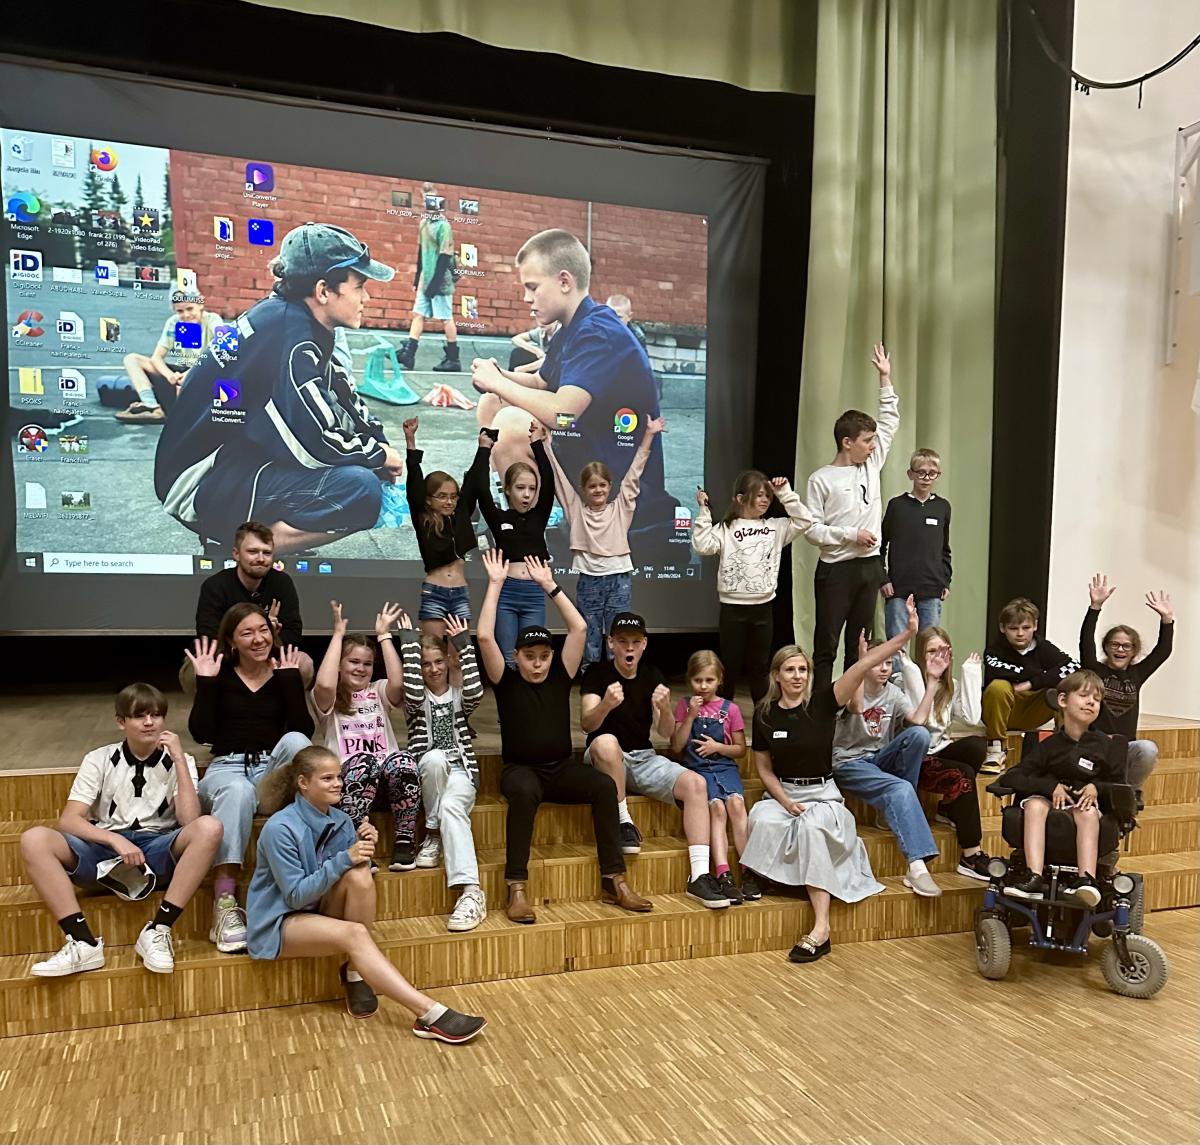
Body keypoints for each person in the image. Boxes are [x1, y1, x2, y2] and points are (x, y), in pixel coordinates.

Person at [154, 222, 404, 554]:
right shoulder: (291, 334)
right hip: (197, 481)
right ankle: (242, 548)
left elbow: (342, 396)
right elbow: (313, 441)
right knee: (360, 490)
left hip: (229, 461)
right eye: (359, 286)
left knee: (361, 465)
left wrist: (378, 443)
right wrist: (378, 455)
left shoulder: (294, 319)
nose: (366, 298)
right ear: (323, 291)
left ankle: (252, 532)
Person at [249, 746, 486, 1041]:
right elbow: (295, 895)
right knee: (356, 933)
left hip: (316, 909)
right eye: (327, 778)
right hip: (278, 922)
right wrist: (345, 857)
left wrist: (361, 847)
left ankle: (354, 970)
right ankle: (428, 1013)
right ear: (303, 783)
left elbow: (339, 872)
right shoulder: (280, 828)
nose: (338, 784)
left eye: (339, 777)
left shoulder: (340, 820)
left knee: (361, 875)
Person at [470, 228, 677, 559]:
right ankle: (516, 511)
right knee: (492, 402)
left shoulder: (597, 332)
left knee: (510, 423)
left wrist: (498, 382)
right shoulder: (573, 328)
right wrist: (497, 376)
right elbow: (541, 383)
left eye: (532, 287)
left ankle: (529, 540)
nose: (526, 298)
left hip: (619, 485)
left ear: (564, 282)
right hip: (586, 452)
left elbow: (563, 414)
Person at [477, 548, 652, 922]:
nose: (538, 663)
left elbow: (580, 629)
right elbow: (484, 636)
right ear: (516, 656)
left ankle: (614, 880)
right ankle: (516, 887)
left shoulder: (561, 675)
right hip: (520, 770)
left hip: (559, 769)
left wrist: (549, 585)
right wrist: (495, 584)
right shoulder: (505, 680)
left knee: (604, 786)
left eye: (544, 655)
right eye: (530, 656)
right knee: (523, 791)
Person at [740, 604, 919, 964]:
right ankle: (779, 880)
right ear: (776, 675)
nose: (797, 676)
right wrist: (785, 801)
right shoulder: (764, 714)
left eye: (802, 669)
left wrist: (906, 635)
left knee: (809, 829)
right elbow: (764, 769)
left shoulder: (823, 702)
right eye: (790, 670)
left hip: (823, 796)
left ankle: (821, 928)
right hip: (785, 794)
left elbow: (863, 667)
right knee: (759, 818)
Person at [21, 684, 223, 977]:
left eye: (156, 715)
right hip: (104, 850)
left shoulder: (182, 760)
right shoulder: (98, 758)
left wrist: (179, 760)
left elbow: (190, 820)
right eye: (140, 716)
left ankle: (158, 930)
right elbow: (69, 820)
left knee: (210, 827)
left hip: (156, 848)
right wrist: (114, 839)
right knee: (34, 838)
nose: (150, 722)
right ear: (121, 722)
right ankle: (82, 942)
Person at [187, 603, 313, 954]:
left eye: (263, 630)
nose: (258, 639)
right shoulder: (221, 674)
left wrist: (291, 682)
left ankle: (313, 868)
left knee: (298, 743)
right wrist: (206, 683)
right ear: (231, 641)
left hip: (270, 774)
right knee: (239, 790)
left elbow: (303, 730)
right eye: (247, 633)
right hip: (227, 770)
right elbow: (201, 733)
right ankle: (225, 902)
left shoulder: (284, 671)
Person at [582, 612, 729, 908]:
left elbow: (665, 733)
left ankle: (700, 875)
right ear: (611, 643)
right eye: (623, 641)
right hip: (604, 757)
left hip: (643, 757)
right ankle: (623, 822)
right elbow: (587, 724)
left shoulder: (653, 675)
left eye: (635, 642)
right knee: (607, 743)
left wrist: (664, 709)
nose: (629, 648)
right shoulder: (596, 674)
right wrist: (606, 705)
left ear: (644, 644)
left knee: (696, 784)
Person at [803, 344, 900, 690]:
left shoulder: (871, 465)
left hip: (868, 567)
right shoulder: (821, 478)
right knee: (827, 642)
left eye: (873, 441)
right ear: (847, 442)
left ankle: (850, 706)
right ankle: (821, 705)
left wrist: (885, 378)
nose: (873, 445)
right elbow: (812, 530)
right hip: (836, 570)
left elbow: (889, 422)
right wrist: (850, 534)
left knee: (859, 644)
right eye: (866, 441)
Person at [545, 416, 665, 670]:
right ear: (583, 489)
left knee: (618, 637)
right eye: (592, 486)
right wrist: (545, 445)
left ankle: (617, 681)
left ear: (610, 486)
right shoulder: (576, 509)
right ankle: (591, 681)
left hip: (618, 580)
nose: (598, 490)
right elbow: (559, 480)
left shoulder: (621, 507)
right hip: (588, 581)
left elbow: (634, 473)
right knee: (589, 639)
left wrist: (649, 434)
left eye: (602, 485)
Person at [830, 635, 943, 897]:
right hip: (848, 762)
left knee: (919, 735)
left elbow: (918, 719)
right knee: (900, 788)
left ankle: (893, 808)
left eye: (889, 663)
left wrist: (933, 681)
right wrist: (860, 664)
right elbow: (856, 707)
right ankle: (917, 867)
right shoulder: (847, 686)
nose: (884, 669)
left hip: (879, 759)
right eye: (878, 662)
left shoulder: (893, 692)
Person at [312, 600, 422, 871]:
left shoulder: (378, 690)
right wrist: (338, 635)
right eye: (353, 662)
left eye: (367, 664)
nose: (360, 668)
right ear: (339, 665)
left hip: (386, 785)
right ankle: (352, 842)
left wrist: (384, 636)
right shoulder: (329, 698)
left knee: (403, 760)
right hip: (348, 789)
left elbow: (399, 683)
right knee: (365, 762)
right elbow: (324, 682)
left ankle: (404, 841)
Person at [692, 470, 812, 703]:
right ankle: (723, 716)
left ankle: (762, 718)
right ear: (740, 498)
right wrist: (704, 511)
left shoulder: (775, 527)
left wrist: (784, 493)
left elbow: (805, 520)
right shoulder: (726, 528)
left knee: (760, 666)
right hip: (732, 609)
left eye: (768, 495)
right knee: (730, 666)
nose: (765, 500)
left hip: (763, 608)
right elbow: (701, 545)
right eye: (759, 495)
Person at [400, 615, 488, 932]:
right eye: (426, 664)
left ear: (447, 662)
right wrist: (409, 644)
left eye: (438, 662)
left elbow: (476, 689)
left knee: (453, 805)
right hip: (431, 770)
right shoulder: (413, 701)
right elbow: (412, 689)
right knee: (435, 758)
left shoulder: (459, 697)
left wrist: (463, 644)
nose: (433, 669)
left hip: (461, 771)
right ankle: (433, 832)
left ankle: (472, 891)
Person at [1002, 671, 1118, 907]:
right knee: (1034, 804)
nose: (1091, 702)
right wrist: (1049, 786)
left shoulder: (1105, 745)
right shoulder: (1049, 745)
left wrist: (1096, 787)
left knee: (1086, 812)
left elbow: (1118, 783)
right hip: (1050, 802)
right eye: (1084, 696)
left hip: (1084, 806)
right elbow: (1014, 776)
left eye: (1096, 699)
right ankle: (1033, 877)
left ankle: (1086, 881)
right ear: (1063, 700)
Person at [896, 628, 992, 879]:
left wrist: (971, 674)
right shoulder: (903, 682)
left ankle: (949, 807)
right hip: (913, 759)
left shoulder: (951, 686)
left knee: (976, 746)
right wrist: (924, 676)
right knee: (964, 773)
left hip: (937, 751)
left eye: (943, 650)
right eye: (931, 651)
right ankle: (971, 855)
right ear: (920, 655)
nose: (938, 656)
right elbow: (921, 721)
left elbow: (972, 718)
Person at [670, 650, 759, 904]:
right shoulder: (684, 705)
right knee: (717, 808)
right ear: (689, 680)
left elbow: (740, 750)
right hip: (698, 770)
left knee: (737, 805)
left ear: (719, 680)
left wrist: (718, 747)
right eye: (698, 680)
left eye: (709, 680)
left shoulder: (731, 709)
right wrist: (690, 715)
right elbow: (676, 746)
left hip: (724, 768)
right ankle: (723, 873)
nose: (703, 686)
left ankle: (749, 870)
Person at [185, 521, 313, 691]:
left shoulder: (282, 583)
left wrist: (269, 637)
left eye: (267, 553)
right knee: (194, 671)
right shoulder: (215, 586)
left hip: (268, 653)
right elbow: (208, 637)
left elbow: (294, 632)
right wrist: (249, 641)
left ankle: (281, 706)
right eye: (252, 552)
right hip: (226, 655)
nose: (261, 559)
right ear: (236, 554)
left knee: (304, 663)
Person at [470, 420, 556, 666]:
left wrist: (537, 444)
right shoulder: (498, 517)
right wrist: (484, 449)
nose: (527, 494)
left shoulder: (539, 515)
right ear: (507, 489)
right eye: (520, 488)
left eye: (532, 489)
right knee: (508, 658)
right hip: (506, 593)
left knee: (533, 657)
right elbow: (480, 489)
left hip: (534, 594)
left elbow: (548, 480)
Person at [1080, 574, 1174, 798]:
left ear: (1133, 651)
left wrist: (1167, 619)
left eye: (1126, 646)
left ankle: (1129, 792)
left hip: (1124, 748)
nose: (1120, 649)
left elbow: (1163, 651)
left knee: (1148, 749)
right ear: (1106, 648)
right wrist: (1095, 607)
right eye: (1115, 644)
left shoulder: (1137, 674)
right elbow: (1085, 642)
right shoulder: (1095, 670)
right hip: (1096, 746)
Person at [403, 416, 481, 639]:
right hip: (434, 592)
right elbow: (414, 484)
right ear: (429, 499)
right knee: (433, 650)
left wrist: (484, 447)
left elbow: (474, 480)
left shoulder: (460, 518)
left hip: (460, 592)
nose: (449, 502)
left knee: (460, 654)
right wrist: (410, 441)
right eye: (442, 496)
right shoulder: (424, 519)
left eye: (453, 497)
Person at [982, 597, 1079, 773]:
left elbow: (1074, 667)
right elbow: (998, 673)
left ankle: (1064, 746)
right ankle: (996, 749)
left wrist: (1030, 683)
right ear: (1003, 628)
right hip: (1003, 712)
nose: (1020, 633)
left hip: (1033, 711)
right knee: (998, 687)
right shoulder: (994, 650)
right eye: (1013, 628)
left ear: (1035, 626)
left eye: (1026, 628)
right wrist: (1044, 674)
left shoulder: (1044, 648)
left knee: (1062, 689)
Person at [115, 288, 224, 423]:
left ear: (200, 304)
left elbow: (221, 349)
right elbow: (156, 357)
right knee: (132, 359)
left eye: (190, 309)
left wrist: (190, 374)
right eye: (180, 311)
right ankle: (152, 407)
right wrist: (170, 375)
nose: (186, 315)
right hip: (182, 373)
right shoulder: (174, 322)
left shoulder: (213, 320)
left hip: (204, 371)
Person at [880, 448, 952, 640]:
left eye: (932, 473)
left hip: (932, 587)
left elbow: (944, 549)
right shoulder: (897, 506)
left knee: (929, 642)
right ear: (910, 474)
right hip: (898, 587)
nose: (926, 478)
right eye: (921, 472)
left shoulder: (942, 507)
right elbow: (880, 545)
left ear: (938, 475)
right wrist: (883, 579)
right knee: (896, 643)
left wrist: (945, 581)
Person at [396, 183, 460, 374]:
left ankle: (453, 359)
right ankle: (409, 354)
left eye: (430, 200)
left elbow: (445, 256)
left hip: (441, 281)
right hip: (426, 279)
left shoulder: (444, 226)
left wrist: (435, 284)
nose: (426, 203)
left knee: (446, 318)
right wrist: (418, 278)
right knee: (418, 314)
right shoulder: (423, 223)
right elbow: (420, 251)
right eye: (425, 200)